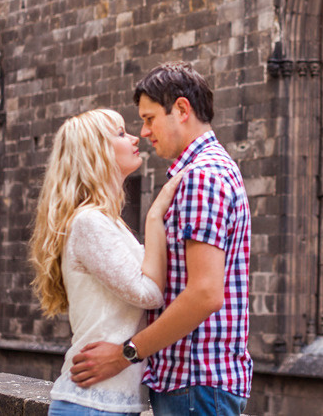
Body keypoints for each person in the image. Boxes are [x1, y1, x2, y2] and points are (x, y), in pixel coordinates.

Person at [69, 62, 252, 416]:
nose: (144, 131)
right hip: (194, 385)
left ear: (181, 109)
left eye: (150, 118)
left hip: (195, 384)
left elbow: (205, 293)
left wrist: (125, 354)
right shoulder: (206, 171)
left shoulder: (202, 177)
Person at [30, 108, 185, 416]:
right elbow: (150, 293)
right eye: (121, 133)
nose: (135, 138)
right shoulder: (89, 222)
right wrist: (155, 216)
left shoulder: (107, 223)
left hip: (105, 403)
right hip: (90, 404)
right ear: (95, 153)